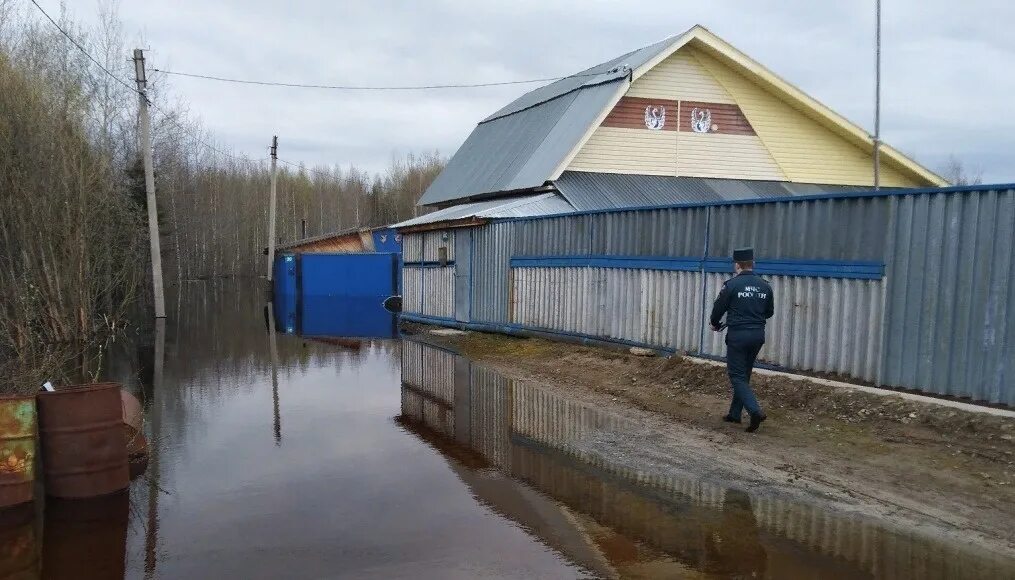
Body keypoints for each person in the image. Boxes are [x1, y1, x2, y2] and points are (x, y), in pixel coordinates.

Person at [710, 247, 774, 433]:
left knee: (736, 375)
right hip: (757, 335)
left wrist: (714, 323)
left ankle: (755, 411)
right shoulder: (765, 285)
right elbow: (769, 312)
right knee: (743, 374)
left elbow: (718, 308)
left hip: (738, 336)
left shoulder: (731, 285)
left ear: (736, 265)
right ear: (752, 264)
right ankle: (734, 414)